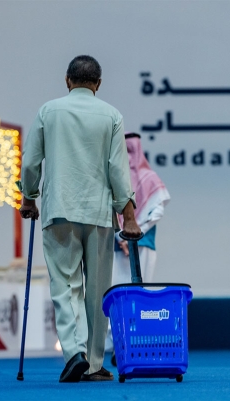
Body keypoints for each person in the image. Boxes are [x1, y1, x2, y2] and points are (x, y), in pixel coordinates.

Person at [17, 55, 141, 383]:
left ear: (67, 80)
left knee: (66, 285)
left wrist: (28, 197)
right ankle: (96, 364)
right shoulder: (112, 115)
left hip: (59, 210)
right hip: (99, 214)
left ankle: (74, 353)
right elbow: (118, 169)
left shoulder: (48, 111)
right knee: (98, 290)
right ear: (98, 84)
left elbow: (30, 162)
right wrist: (127, 214)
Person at [106, 133, 170, 362]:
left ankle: (134, 341)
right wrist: (120, 236)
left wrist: (132, 231)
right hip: (117, 247)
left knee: (139, 294)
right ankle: (118, 344)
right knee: (118, 294)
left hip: (141, 246)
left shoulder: (150, 178)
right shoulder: (114, 179)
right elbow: (106, 211)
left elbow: (157, 212)